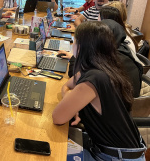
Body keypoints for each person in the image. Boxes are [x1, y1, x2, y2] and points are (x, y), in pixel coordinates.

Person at [53, 21, 146, 160]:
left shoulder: (94, 78)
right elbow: (66, 85)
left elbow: (57, 117)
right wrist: (73, 105)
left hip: (115, 157)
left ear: (82, 47)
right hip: (119, 150)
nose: (73, 46)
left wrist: (72, 104)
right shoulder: (105, 68)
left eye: (75, 41)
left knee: (50, 151)